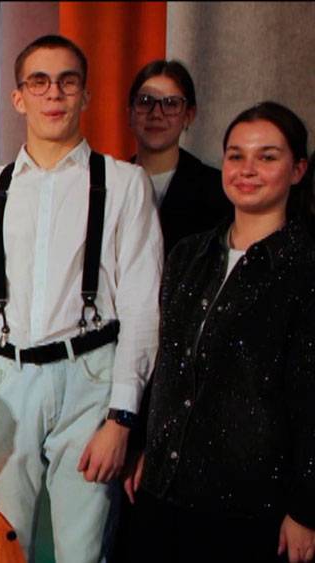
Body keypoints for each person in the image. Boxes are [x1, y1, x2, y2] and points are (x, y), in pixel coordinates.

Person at [0, 35, 163, 562]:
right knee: (4, 544)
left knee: (81, 551)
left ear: (85, 95)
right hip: (3, 381)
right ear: (19, 97)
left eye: (67, 82)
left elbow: (141, 308)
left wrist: (122, 418)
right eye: (39, 82)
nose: (54, 94)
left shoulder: (125, 184)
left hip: (89, 378)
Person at [121, 101, 315, 563]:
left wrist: (306, 509)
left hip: (250, 508)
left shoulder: (305, 269)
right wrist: (148, 445)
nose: (247, 169)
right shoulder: (189, 255)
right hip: (164, 490)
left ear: (297, 170)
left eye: (267, 157)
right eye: (236, 155)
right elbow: (167, 366)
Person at [128, 59, 231, 256]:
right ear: (130, 113)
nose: (156, 114)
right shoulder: (108, 184)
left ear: (189, 115)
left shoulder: (217, 190)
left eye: (171, 104)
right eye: (145, 102)